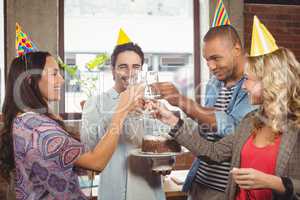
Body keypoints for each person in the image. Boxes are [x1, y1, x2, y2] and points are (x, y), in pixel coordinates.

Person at [153, 46, 300, 200]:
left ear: (270, 81)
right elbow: (213, 152)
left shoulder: (296, 128)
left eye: (248, 79)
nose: (243, 86)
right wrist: (171, 119)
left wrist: (272, 182)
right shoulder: (250, 121)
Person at [0, 51, 143, 199]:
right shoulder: (38, 128)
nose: (61, 80)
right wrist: (122, 110)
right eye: (54, 74)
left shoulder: (24, 121)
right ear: (30, 80)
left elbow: (67, 158)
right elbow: (96, 163)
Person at [153, 25, 257, 199]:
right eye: (207, 60)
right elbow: (204, 130)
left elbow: (233, 130)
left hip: (227, 190)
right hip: (198, 183)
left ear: (237, 49)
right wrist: (171, 137)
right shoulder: (214, 83)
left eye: (215, 58)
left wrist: (181, 101)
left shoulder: (255, 87)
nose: (211, 66)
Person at [81, 42, 172, 200]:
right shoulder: (94, 103)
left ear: (142, 71)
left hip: (150, 193)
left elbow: (166, 146)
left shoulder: (155, 104)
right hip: (112, 193)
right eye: (123, 66)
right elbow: (88, 147)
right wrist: (122, 110)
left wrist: (167, 161)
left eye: (136, 67)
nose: (130, 73)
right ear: (113, 71)